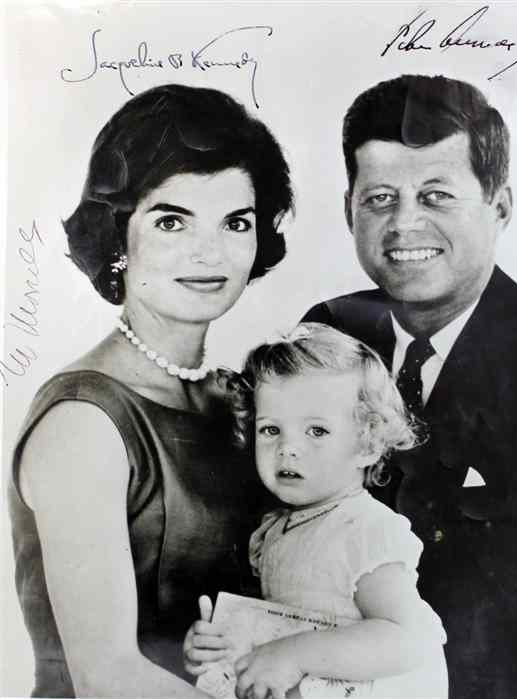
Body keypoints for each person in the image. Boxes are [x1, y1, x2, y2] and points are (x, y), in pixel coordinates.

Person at [8, 83, 293, 698]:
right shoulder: (84, 422)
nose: (209, 251)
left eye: (235, 222)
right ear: (117, 238)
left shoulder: (239, 399)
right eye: (172, 220)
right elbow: (107, 679)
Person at [302, 74, 517, 699]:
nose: (403, 224)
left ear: (501, 205)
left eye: (436, 196)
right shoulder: (329, 332)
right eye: (380, 198)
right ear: (348, 209)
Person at [184, 323, 448, 699]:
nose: (287, 448)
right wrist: (220, 643)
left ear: (368, 444)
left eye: (317, 431)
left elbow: (406, 638)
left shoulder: (365, 530)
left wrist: (292, 655)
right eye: (271, 429)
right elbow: (277, 627)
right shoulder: (276, 530)